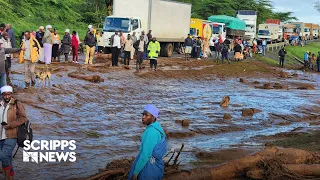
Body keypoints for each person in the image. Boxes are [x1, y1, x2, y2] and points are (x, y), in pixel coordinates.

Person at [128, 104, 166, 180]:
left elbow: (145, 155)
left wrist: (135, 173)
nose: (143, 117)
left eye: (146, 115)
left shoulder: (151, 132)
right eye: (143, 114)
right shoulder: (157, 128)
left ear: (153, 117)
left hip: (148, 168)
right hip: (155, 166)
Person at [0, 86, 26, 180]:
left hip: (12, 135)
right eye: (4, 94)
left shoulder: (17, 103)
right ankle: (11, 176)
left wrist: (10, 125)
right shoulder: (0, 103)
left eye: (8, 94)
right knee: (7, 158)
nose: (7, 96)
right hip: (0, 136)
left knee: (3, 156)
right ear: (2, 95)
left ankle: (7, 177)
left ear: (11, 94)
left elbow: (23, 118)